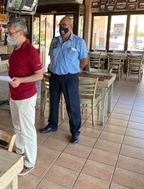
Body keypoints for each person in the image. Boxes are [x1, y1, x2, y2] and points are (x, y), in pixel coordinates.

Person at [40, 16, 88, 144]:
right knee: (53, 102)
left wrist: (74, 69)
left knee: (72, 105)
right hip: (55, 76)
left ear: (71, 26)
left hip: (70, 77)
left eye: (64, 25)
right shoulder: (55, 41)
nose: (62, 28)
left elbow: (84, 60)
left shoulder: (79, 42)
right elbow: (51, 55)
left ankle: (75, 131)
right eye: (60, 25)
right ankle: (52, 124)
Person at [7, 18, 43, 176]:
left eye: (10, 33)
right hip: (14, 95)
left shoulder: (30, 51)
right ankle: (20, 153)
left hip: (26, 96)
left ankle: (29, 162)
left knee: (27, 129)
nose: (8, 35)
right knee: (17, 127)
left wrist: (21, 80)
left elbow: (39, 75)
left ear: (20, 33)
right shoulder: (16, 49)